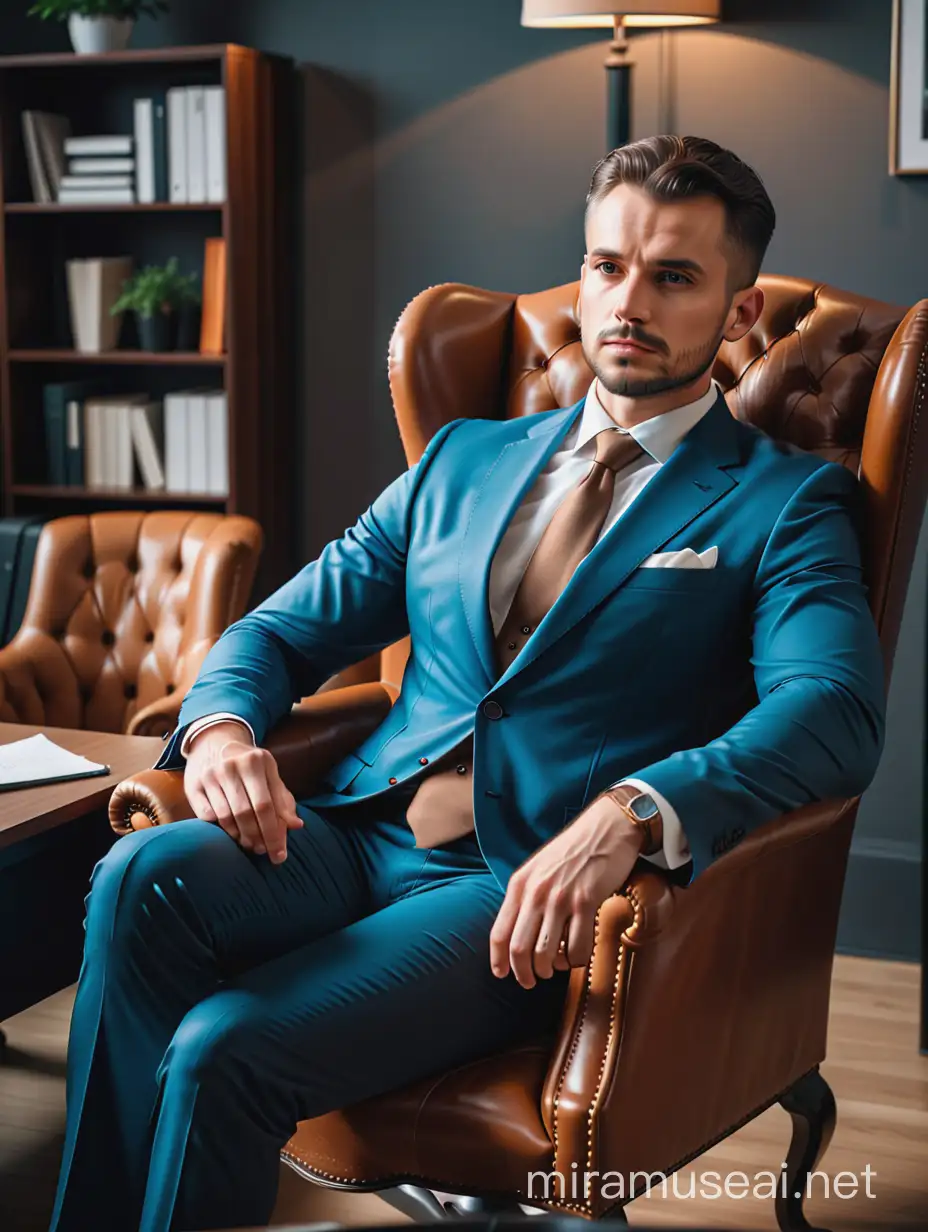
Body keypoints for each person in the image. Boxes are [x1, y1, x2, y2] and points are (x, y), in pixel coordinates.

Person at [49, 135, 885, 1232]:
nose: (626, 301)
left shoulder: (784, 503)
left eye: (673, 276)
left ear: (736, 316)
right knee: (140, 871)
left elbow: (831, 710)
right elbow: (276, 630)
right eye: (605, 266)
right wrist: (218, 732)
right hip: (347, 830)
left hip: (517, 889)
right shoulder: (460, 461)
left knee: (221, 1046)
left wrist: (632, 812)